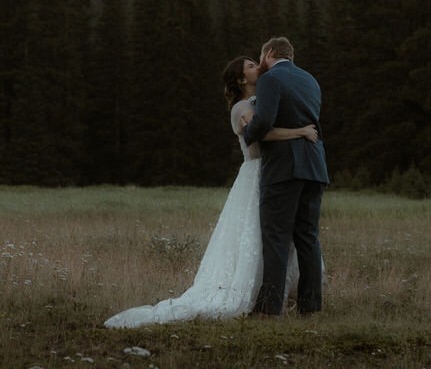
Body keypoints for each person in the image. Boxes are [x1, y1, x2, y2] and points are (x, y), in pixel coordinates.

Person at [104, 56, 317, 328]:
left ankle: (280, 296)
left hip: (276, 174)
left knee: (277, 237)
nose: (257, 67)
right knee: (255, 237)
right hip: (257, 176)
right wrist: (300, 131)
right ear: (241, 80)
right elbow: (263, 134)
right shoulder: (241, 108)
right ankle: (254, 297)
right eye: (251, 66)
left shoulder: (262, 101)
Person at [241, 36, 328, 316]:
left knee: (276, 237)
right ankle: (311, 307)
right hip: (315, 165)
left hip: (284, 167)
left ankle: (270, 306)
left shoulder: (271, 80)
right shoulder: (311, 80)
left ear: (270, 53)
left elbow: (264, 120)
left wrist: (247, 135)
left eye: (261, 55)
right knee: (308, 238)